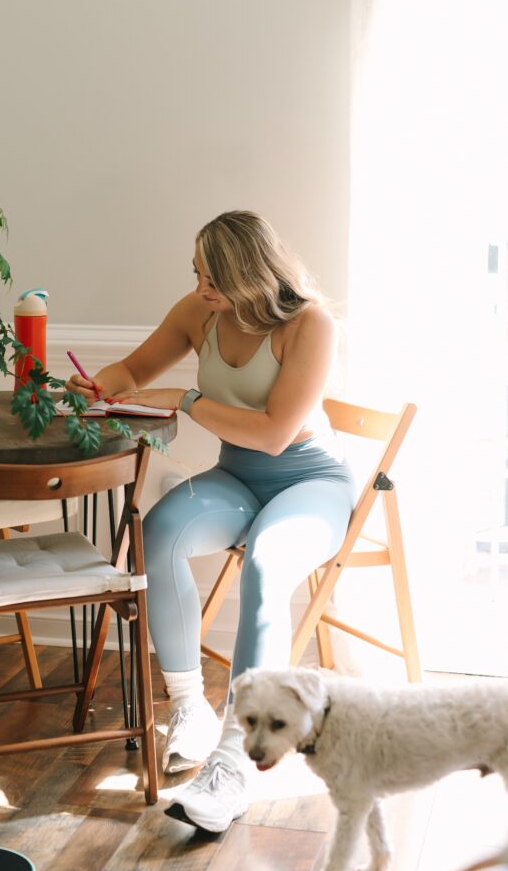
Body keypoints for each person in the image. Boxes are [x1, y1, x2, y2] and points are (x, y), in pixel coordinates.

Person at [66, 210, 357, 833]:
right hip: (238, 479)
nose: (200, 284)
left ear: (249, 271)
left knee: (268, 560)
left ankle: (232, 760)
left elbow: (277, 435)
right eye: (196, 271)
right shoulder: (200, 311)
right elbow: (133, 372)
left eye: (212, 273)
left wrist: (190, 401)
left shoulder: (309, 324)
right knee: (160, 531)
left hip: (310, 481)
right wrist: (98, 387)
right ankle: (190, 707)